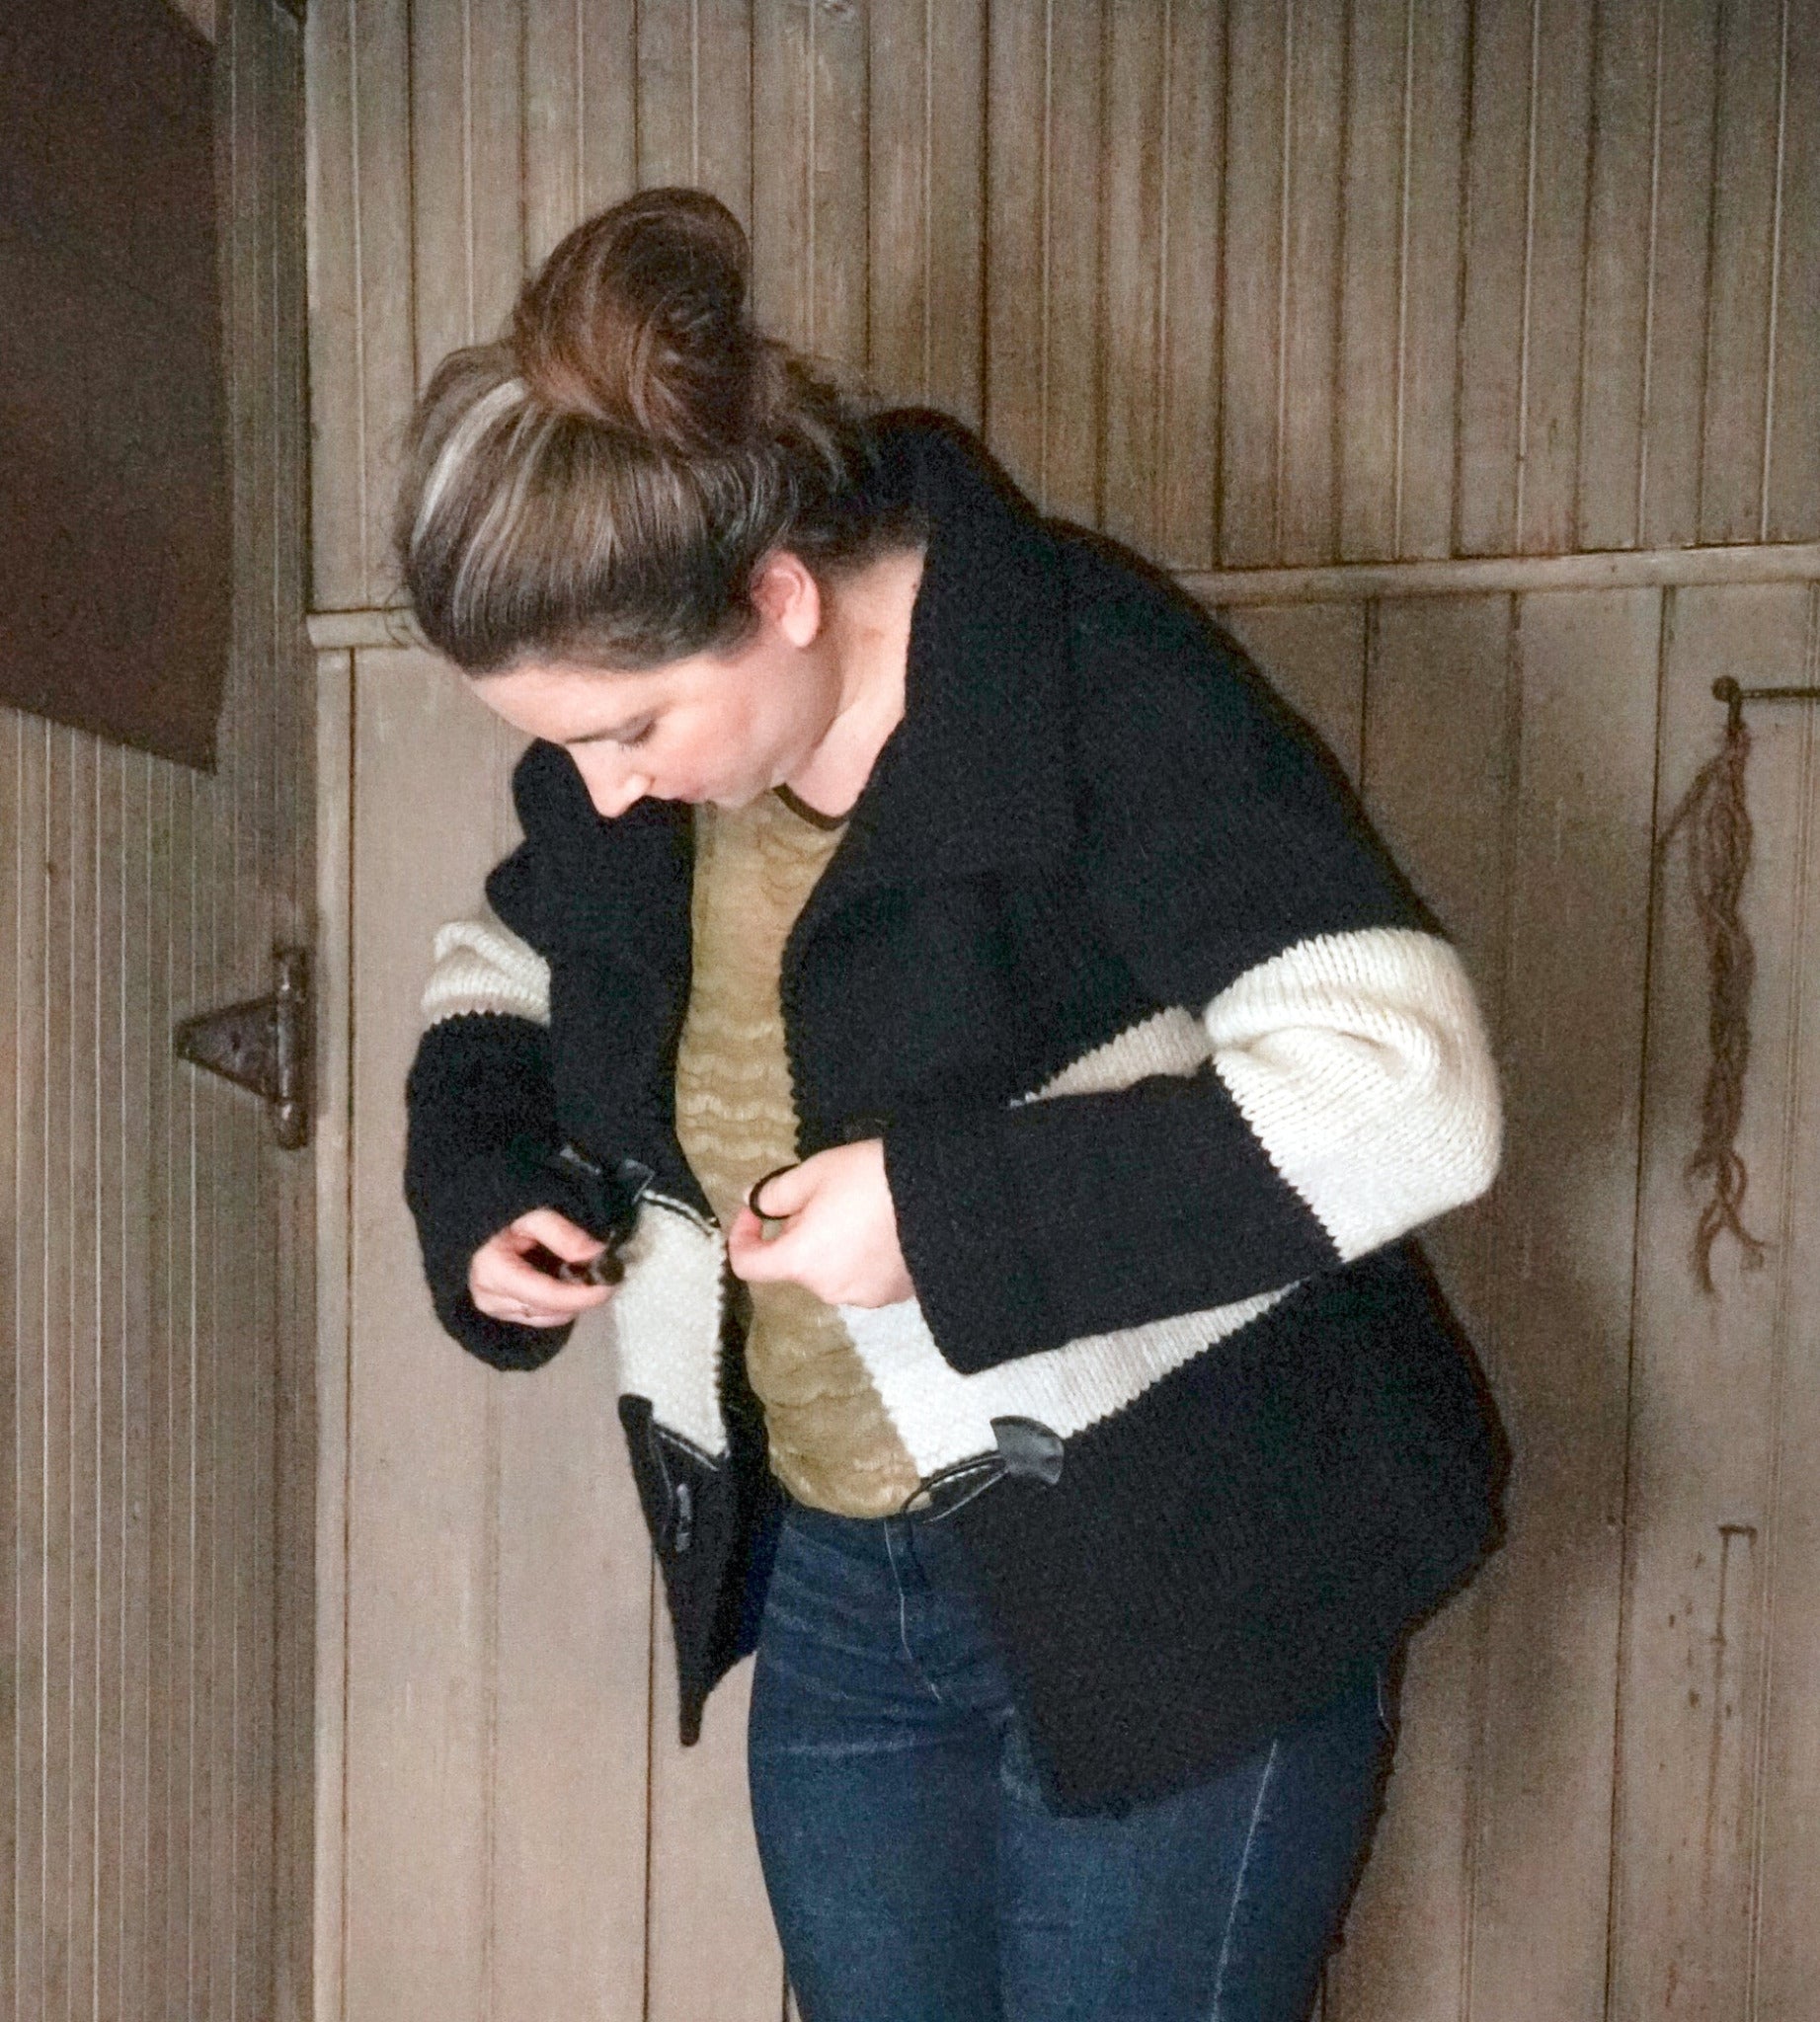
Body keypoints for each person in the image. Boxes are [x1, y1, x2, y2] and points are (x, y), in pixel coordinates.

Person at [395, 187, 1506, 2022]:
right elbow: (501, 965)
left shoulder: (1080, 676)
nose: (596, 793)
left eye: (634, 728)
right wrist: (491, 1177)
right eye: (558, 743)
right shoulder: (639, 778)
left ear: (776, 595)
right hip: (846, 1579)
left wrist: (954, 1216)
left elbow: (1415, 1083)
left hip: (1187, 1562)